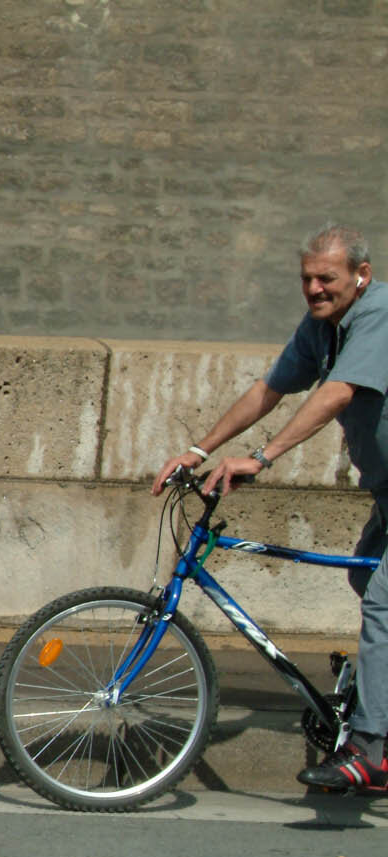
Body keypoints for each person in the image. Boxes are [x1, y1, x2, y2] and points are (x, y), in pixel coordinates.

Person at [151, 224, 388, 792]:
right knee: (367, 581)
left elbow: (337, 394)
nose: (313, 289)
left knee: (384, 603)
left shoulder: (379, 313)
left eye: (325, 278)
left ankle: (373, 752)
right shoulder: (321, 328)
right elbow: (271, 387)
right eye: (306, 278)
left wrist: (262, 457)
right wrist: (201, 447)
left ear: (362, 275)